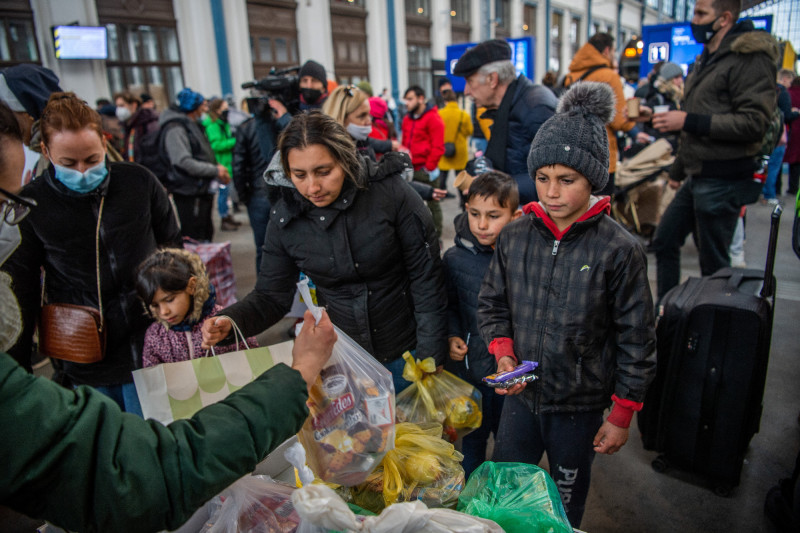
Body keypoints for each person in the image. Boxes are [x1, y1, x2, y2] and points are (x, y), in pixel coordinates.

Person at [477, 82, 656, 527]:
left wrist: (621, 414)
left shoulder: (619, 249)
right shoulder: (515, 235)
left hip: (578, 407)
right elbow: (492, 303)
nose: (551, 192)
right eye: (542, 178)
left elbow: (638, 338)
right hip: (521, 401)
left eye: (566, 180)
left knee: (565, 503)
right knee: (506, 492)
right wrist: (503, 355)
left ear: (593, 178)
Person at [202, 112, 448, 393]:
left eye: (323, 171)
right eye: (299, 175)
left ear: (346, 159)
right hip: (341, 358)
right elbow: (271, 295)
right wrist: (231, 322)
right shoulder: (285, 217)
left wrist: (430, 352)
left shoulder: (392, 194)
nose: (313, 187)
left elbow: (427, 277)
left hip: (408, 351)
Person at [1, 93, 182, 413]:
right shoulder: (32, 204)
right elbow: (22, 290)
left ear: (103, 141)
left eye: (92, 159)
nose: (83, 171)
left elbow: (173, 250)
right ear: (45, 151)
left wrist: (184, 313)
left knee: (159, 439)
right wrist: (17, 375)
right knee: (105, 448)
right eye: (69, 163)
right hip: (85, 353)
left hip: (151, 342)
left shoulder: (138, 182)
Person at [650, 0, 778, 300]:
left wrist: (688, 120)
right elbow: (694, 123)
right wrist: (678, 171)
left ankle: (713, 328)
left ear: (724, 19)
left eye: (701, 14)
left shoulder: (750, 58)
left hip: (724, 177)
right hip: (698, 174)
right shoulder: (709, 57)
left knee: (715, 266)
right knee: (665, 240)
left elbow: (754, 122)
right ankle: (667, 312)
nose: (694, 20)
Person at [443, 170, 521, 478]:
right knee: (471, 444)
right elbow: (448, 304)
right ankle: (472, 511)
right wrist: (450, 335)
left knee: (508, 446)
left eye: (493, 215)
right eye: (475, 214)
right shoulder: (453, 259)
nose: (482, 224)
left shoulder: (522, 258)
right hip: (471, 373)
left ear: (514, 216)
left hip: (510, 376)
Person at [453, 39, 558, 205]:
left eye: (470, 82)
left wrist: (498, 186)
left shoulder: (535, 107)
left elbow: (555, 180)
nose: (466, 91)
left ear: (492, 79)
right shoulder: (509, 106)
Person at [136, 248, 257, 367]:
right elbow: (154, 377)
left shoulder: (221, 320)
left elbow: (251, 354)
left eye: (169, 300)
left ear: (191, 286)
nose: (164, 312)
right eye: (155, 305)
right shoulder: (155, 336)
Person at [565, 33, 636, 195]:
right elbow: (618, 121)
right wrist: (634, 123)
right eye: (613, 51)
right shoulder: (608, 76)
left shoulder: (571, 76)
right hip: (601, 154)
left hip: (574, 152)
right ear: (606, 50)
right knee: (599, 210)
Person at [160, 88, 231, 241]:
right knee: (195, 237)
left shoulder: (191, 124)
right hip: (189, 192)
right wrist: (214, 170)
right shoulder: (176, 128)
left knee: (205, 232)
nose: (205, 109)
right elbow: (183, 161)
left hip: (200, 190)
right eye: (203, 106)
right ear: (193, 108)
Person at [0, 64, 63, 182]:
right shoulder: (43, 149)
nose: (8, 124)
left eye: (11, 116)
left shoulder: (63, 151)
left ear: (27, 113)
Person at [402, 85, 447, 237]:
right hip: (410, 170)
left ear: (421, 99)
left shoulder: (433, 118)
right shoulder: (407, 119)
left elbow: (438, 146)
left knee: (433, 204)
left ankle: (436, 236)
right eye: (406, 99)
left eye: (410, 99)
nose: (406, 103)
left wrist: (429, 167)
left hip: (425, 170)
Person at [203, 97, 242, 231]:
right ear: (217, 110)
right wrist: (234, 142)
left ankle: (227, 217)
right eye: (224, 109)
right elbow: (216, 145)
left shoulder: (222, 123)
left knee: (226, 193)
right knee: (223, 193)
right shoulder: (213, 125)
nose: (227, 111)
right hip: (220, 165)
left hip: (227, 163)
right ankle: (224, 218)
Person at [764, 69, 800, 203]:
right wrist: (795, 113)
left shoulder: (769, 91)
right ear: (784, 79)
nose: (790, 84)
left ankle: (771, 192)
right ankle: (770, 195)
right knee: (775, 165)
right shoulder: (783, 93)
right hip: (781, 134)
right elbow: (786, 115)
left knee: (770, 165)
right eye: (789, 81)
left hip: (768, 133)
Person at [438, 89, 474, 191]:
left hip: (444, 148)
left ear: (445, 101)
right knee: (461, 177)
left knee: (443, 174)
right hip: (459, 150)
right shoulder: (464, 115)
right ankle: (463, 200)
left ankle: (442, 193)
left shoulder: (439, 114)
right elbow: (470, 131)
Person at [114, 90, 160, 164]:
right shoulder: (125, 127)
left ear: (134, 105)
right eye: (117, 106)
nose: (118, 110)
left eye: (122, 106)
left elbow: (153, 154)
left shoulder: (148, 123)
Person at [785, 77, 800, 198]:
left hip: (788, 131)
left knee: (779, 161)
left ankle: (775, 189)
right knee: (797, 161)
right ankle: (793, 188)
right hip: (797, 132)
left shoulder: (787, 93)